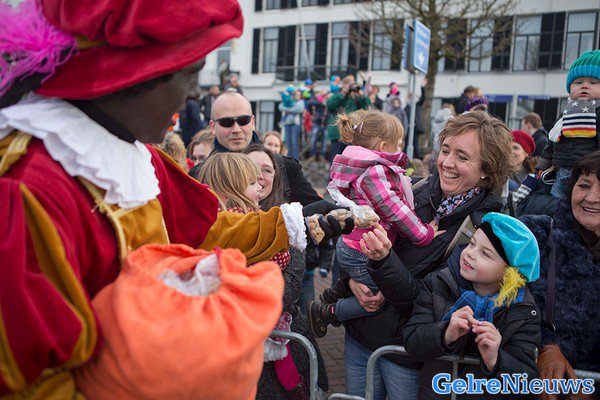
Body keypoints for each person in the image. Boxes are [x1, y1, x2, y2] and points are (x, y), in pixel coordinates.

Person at [0, 1, 350, 397]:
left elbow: (204, 228)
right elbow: (32, 377)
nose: (196, 93)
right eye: (190, 72)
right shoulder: (29, 188)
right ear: (135, 73)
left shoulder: (139, 157)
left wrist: (293, 222)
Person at [338, 111, 514, 400]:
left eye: (462, 156)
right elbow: (352, 240)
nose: (447, 162)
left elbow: (432, 304)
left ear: (486, 169)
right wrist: (351, 280)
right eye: (445, 150)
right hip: (360, 336)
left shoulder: (483, 230)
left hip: (406, 355)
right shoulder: (410, 188)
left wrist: (383, 261)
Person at [309, 109, 441, 339]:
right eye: (397, 145)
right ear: (382, 146)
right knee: (377, 299)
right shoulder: (375, 172)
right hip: (362, 250)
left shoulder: (362, 166)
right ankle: (327, 312)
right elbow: (395, 209)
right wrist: (424, 234)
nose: (400, 150)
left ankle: (335, 291)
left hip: (354, 244)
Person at [401, 213, 541, 399]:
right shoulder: (439, 282)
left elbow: (526, 383)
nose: (469, 253)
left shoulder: (522, 312)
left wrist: (495, 360)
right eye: (472, 243)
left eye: (485, 253)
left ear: (509, 273)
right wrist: (445, 333)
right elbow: (412, 340)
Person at [243, 144, 330, 400]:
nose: (260, 177)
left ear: (276, 177)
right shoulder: (224, 222)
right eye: (251, 169)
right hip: (240, 354)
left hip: (286, 343)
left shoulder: (290, 222)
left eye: (266, 170)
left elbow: (283, 293)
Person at [521, 151, 600, 400]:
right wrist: (544, 344)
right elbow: (497, 300)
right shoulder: (535, 234)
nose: (592, 197)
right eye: (584, 185)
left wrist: (592, 388)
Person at [211, 91, 322, 206]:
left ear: (252, 122)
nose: (236, 129)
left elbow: (320, 208)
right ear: (212, 127)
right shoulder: (203, 175)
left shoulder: (285, 168)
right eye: (226, 122)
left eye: (243, 120)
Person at [538, 50, 600, 201]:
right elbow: (552, 140)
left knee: (580, 204)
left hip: (587, 173)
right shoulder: (566, 112)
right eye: (578, 82)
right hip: (560, 171)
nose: (585, 86)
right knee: (557, 203)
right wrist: (543, 165)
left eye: (593, 83)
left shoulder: (598, 112)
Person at [326, 76, 371, 161]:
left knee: (351, 160)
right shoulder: (338, 96)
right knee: (336, 159)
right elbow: (329, 105)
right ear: (344, 85)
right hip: (338, 133)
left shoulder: (356, 98)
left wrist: (361, 96)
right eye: (350, 84)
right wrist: (343, 93)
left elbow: (368, 108)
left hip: (352, 133)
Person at [278, 89, 305, 160]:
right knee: (288, 142)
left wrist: (288, 109)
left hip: (295, 124)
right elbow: (280, 107)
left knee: (294, 142)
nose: (297, 96)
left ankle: (295, 159)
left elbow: (299, 109)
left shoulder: (301, 102)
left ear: (301, 96)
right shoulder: (290, 100)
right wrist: (292, 109)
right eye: (296, 95)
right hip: (287, 124)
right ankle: (289, 159)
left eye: (299, 95)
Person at [306, 93, 328, 161]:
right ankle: (312, 155)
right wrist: (311, 114)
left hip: (326, 123)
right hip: (317, 122)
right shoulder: (318, 101)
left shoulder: (328, 102)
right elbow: (309, 103)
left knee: (324, 141)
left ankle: (322, 156)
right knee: (313, 140)